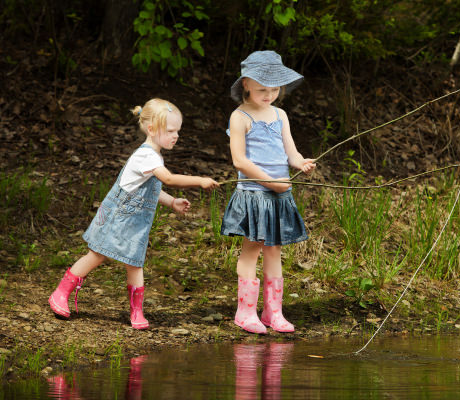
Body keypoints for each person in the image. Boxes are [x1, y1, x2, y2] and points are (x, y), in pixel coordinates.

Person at [48, 98, 219, 329]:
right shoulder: (146, 155)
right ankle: (60, 292)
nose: (175, 135)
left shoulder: (155, 156)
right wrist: (200, 180)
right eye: (170, 130)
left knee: (135, 263)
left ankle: (136, 311)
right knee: (97, 254)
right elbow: (168, 179)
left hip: (136, 222)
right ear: (151, 129)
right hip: (118, 215)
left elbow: (150, 190)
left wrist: (172, 202)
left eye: (178, 130)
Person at [221, 50, 316, 334]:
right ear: (246, 83)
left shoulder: (280, 114)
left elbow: (290, 151)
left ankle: (273, 312)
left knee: (274, 251)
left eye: (274, 89)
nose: (269, 95)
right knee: (252, 250)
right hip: (254, 193)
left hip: (279, 194)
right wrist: (270, 182)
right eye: (262, 89)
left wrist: (300, 162)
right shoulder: (240, 117)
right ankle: (245, 311)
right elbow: (240, 161)